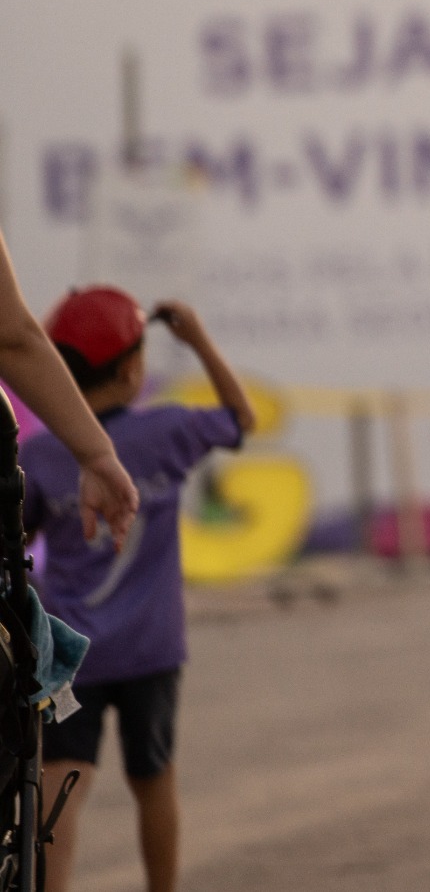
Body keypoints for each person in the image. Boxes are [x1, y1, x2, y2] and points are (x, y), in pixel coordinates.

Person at [29, 290, 254, 892]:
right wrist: (199, 340)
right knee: (154, 781)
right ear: (133, 369)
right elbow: (240, 420)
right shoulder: (170, 429)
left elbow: (17, 544)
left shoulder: (42, 454)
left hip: (69, 652)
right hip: (152, 650)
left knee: (59, 789)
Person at [0, 229, 139, 545]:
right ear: (130, 368)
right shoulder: (170, 428)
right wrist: (96, 454)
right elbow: (11, 339)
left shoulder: (36, 451)